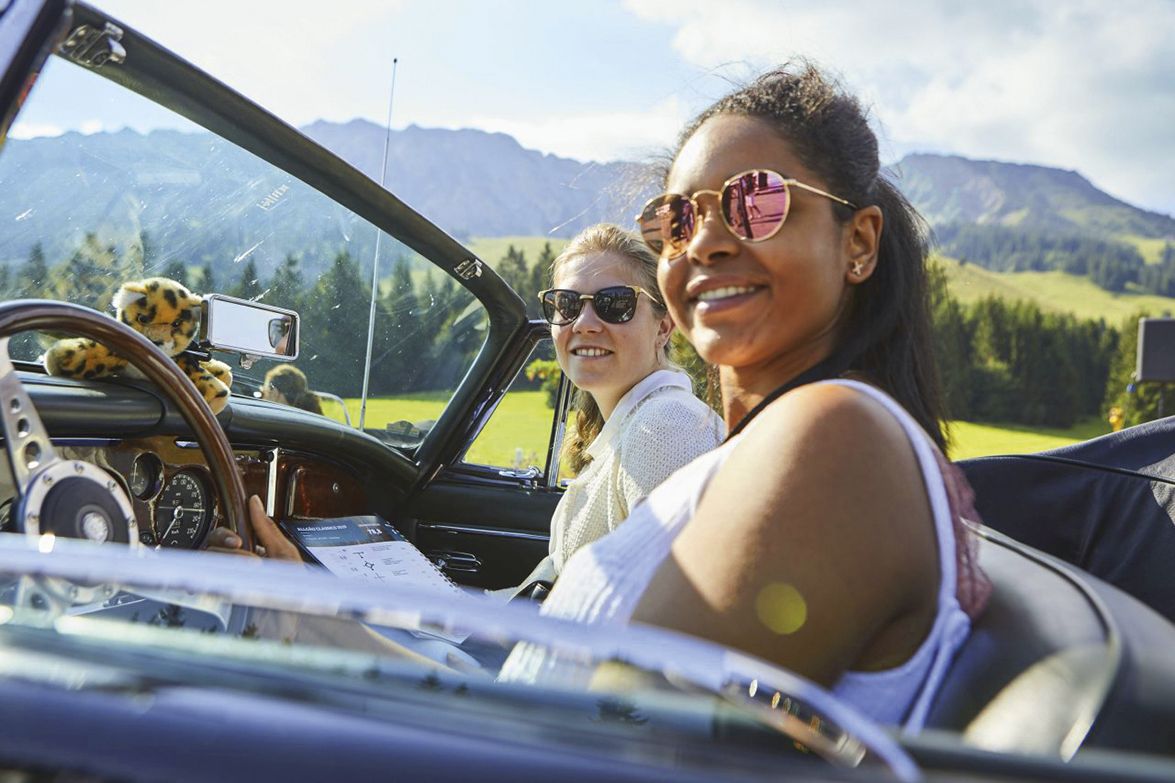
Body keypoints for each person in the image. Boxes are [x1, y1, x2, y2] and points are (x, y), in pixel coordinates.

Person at [499, 63, 991, 731]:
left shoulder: (834, 437)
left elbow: (628, 738)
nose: (703, 242)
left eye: (756, 201)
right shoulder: (757, 448)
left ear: (857, 242)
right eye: (677, 218)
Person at [523, 223, 724, 589]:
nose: (583, 324)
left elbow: (668, 611)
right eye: (566, 304)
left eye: (614, 304)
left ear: (663, 327)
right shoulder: (630, 425)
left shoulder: (667, 427)